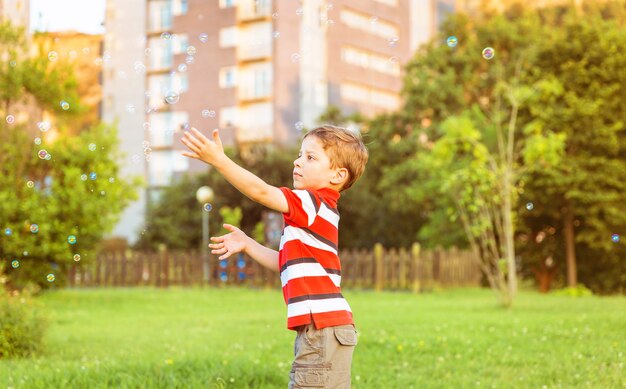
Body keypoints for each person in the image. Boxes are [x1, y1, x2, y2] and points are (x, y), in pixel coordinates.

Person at [181, 124, 369, 388]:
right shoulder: (317, 214)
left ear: (337, 176)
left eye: (310, 157)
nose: (298, 161)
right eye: (300, 154)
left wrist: (219, 161)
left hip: (321, 328)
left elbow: (261, 192)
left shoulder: (312, 202)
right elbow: (285, 263)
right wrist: (247, 244)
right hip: (330, 328)